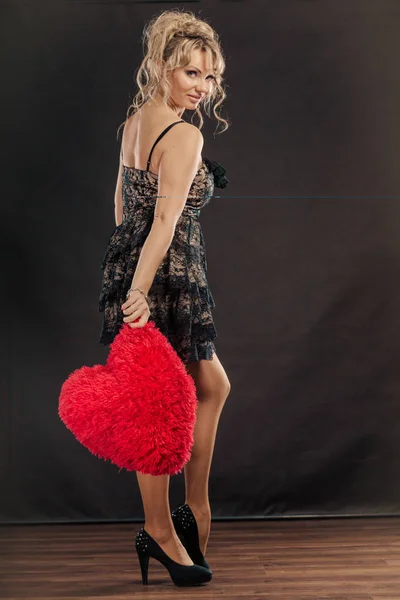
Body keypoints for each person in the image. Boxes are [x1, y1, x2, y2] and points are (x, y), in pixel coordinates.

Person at [98, 8, 231, 586]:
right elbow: (164, 219)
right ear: (161, 67)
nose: (202, 87)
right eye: (191, 74)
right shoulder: (184, 135)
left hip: (136, 264)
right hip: (167, 275)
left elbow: (124, 206)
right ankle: (172, 521)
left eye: (209, 76)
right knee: (158, 406)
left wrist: (125, 276)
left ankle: (184, 512)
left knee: (204, 387)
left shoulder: (136, 122)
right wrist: (142, 291)